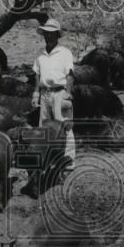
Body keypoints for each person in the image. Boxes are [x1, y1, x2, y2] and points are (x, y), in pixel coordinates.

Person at [31, 17, 76, 169]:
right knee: (44, 127)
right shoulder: (40, 54)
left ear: (57, 35)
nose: (48, 37)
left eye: (51, 34)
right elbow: (37, 74)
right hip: (45, 94)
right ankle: (48, 159)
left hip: (59, 93)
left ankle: (68, 161)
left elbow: (70, 74)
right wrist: (36, 93)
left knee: (64, 126)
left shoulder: (65, 53)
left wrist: (68, 93)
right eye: (46, 34)